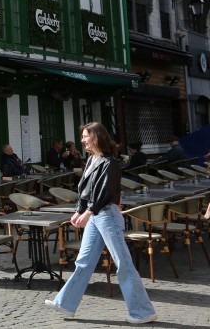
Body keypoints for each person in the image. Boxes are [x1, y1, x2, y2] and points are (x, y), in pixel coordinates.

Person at [45, 122, 157, 324]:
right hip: (95, 214)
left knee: (122, 262)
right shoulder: (92, 160)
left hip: (106, 215)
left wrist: (88, 212)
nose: (82, 140)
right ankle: (66, 304)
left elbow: (104, 193)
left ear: (96, 137)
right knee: (84, 261)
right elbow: (84, 190)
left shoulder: (110, 163)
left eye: (85, 136)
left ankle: (143, 311)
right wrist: (79, 210)